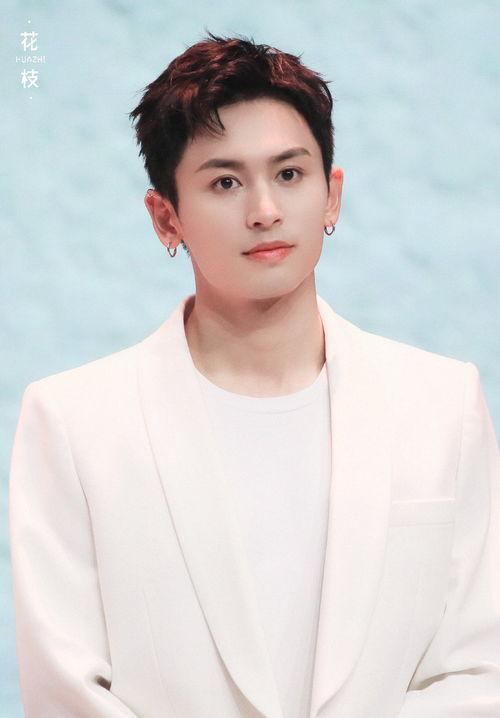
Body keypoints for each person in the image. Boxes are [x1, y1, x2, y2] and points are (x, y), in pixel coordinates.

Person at [9, 30, 500, 718]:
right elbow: (66, 692)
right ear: (166, 218)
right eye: (225, 182)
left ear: (331, 196)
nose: (264, 210)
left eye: (289, 174)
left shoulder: (441, 405)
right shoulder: (72, 422)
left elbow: (480, 671)